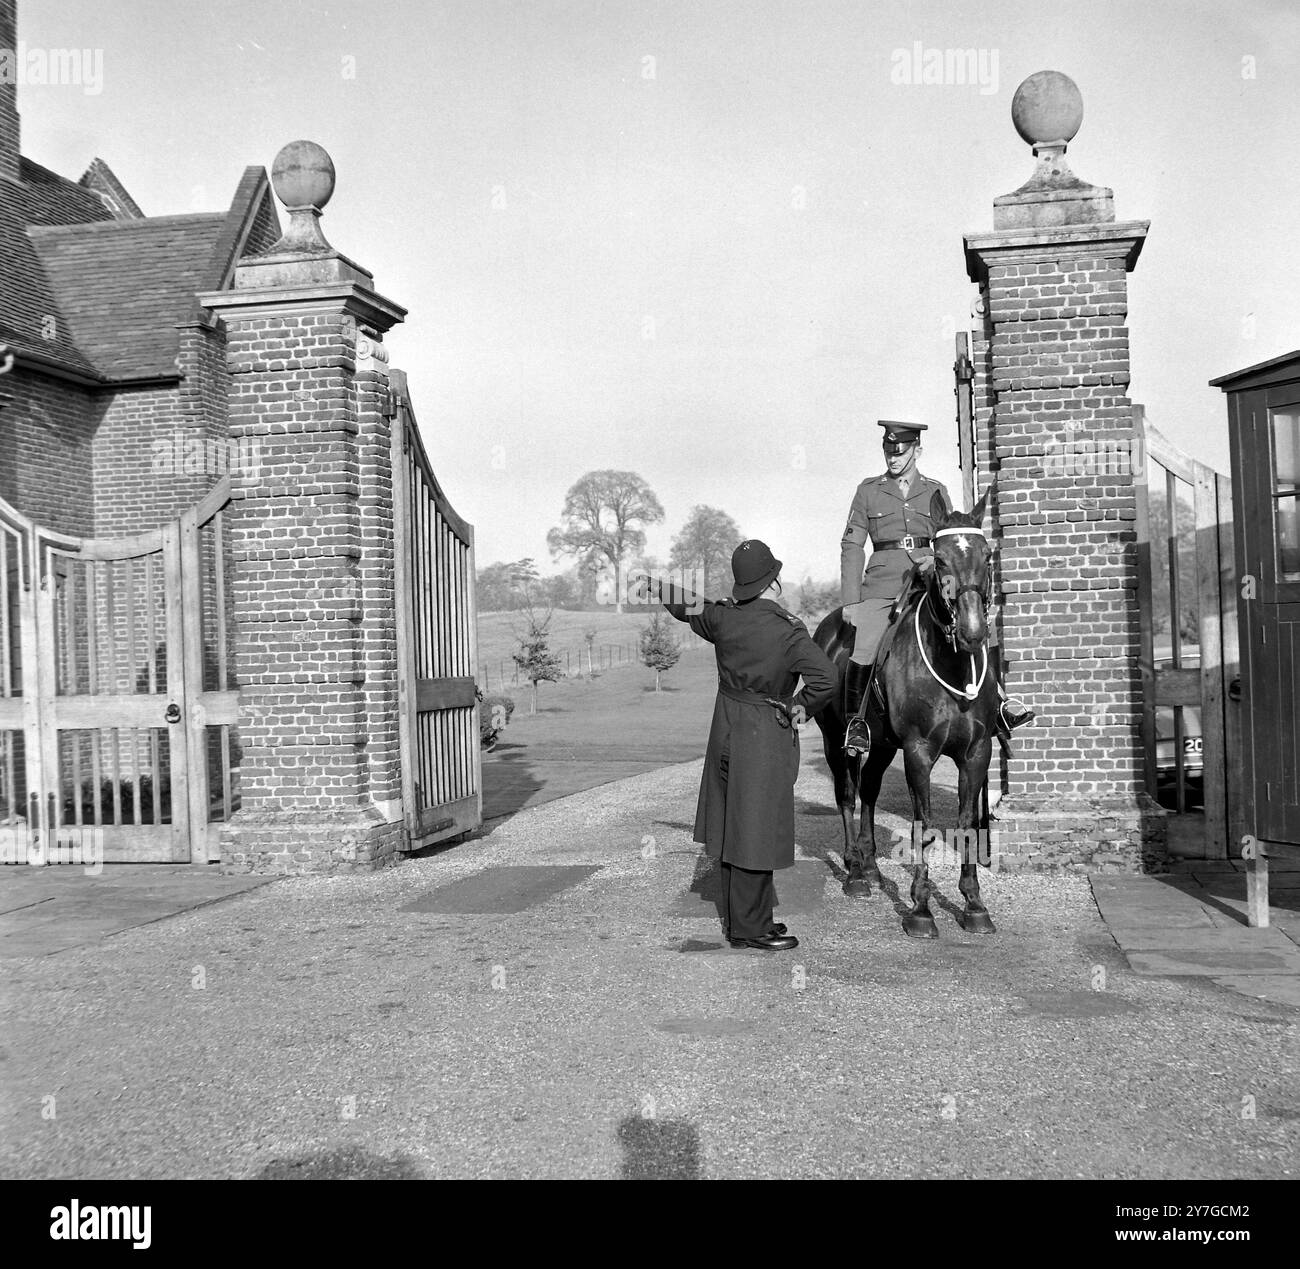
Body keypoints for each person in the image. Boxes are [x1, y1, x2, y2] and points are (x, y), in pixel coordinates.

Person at [654, 540, 836, 951]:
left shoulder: (724, 618)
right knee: (756, 827)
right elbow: (826, 679)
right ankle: (750, 930)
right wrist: (798, 707)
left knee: (733, 821)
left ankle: (747, 920)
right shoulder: (788, 630)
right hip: (764, 729)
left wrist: (656, 586)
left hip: (725, 725)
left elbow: (688, 606)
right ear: (773, 582)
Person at [840, 420, 1033, 755]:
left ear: (917, 450)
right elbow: (852, 545)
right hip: (884, 582)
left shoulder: (935, 490)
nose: (894, 457)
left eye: (900, 451)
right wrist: (851, 600)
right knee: (865, 645)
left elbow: (950, 537)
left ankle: (998, 706)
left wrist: (933, 561)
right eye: (889, 451)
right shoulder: (868, 491)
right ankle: (855, 725)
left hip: (932, 578)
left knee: (972, 626)